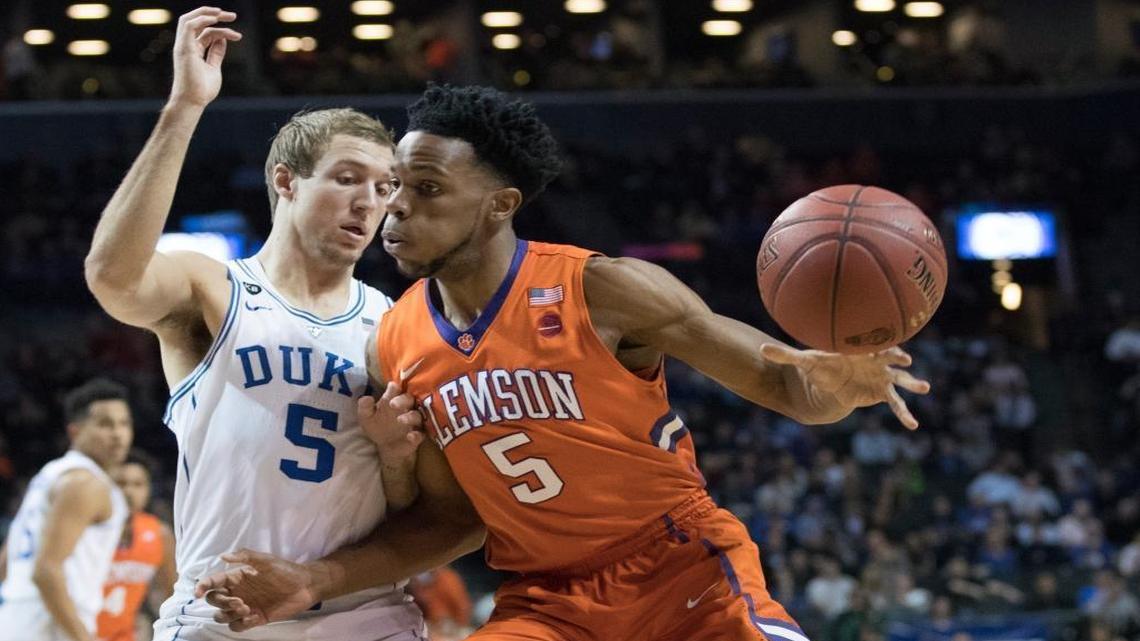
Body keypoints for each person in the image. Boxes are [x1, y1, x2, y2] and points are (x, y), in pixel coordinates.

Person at [196, 84, 930, 641]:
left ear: (499, 204)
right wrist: (313, 580)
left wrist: (840, 381)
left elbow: (787, 385)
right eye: (394, 188)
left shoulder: (604, 290)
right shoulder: (395, 342)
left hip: (681, 572)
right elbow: (450, 519)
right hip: (548, 602)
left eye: (426, 190)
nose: (394, 208)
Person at [84, 7, 425, 640]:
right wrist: (185, 107)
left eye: (385, 187)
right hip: (219, 614)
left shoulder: (395, 322)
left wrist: (397, 457)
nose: (368, 201)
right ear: (286, 181)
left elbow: (416, 510)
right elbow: (112, 276)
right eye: (347, 178)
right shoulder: (214, 288)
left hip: (362, 616)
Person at [0, 378, 133, 641]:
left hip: (17, 617)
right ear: (75, 431)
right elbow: (46, 571)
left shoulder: (50, 474)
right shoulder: (85, 483)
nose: (118, 434)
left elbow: (6, 560)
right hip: (47, 626)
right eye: (105, 424)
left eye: (124, 423)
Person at [96, 459, 176, 641]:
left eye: (138, 484)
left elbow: (172, 594)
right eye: (120, 483)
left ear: (148, 490)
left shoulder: (160, 534)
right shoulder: (86, 529)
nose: (128, 491)